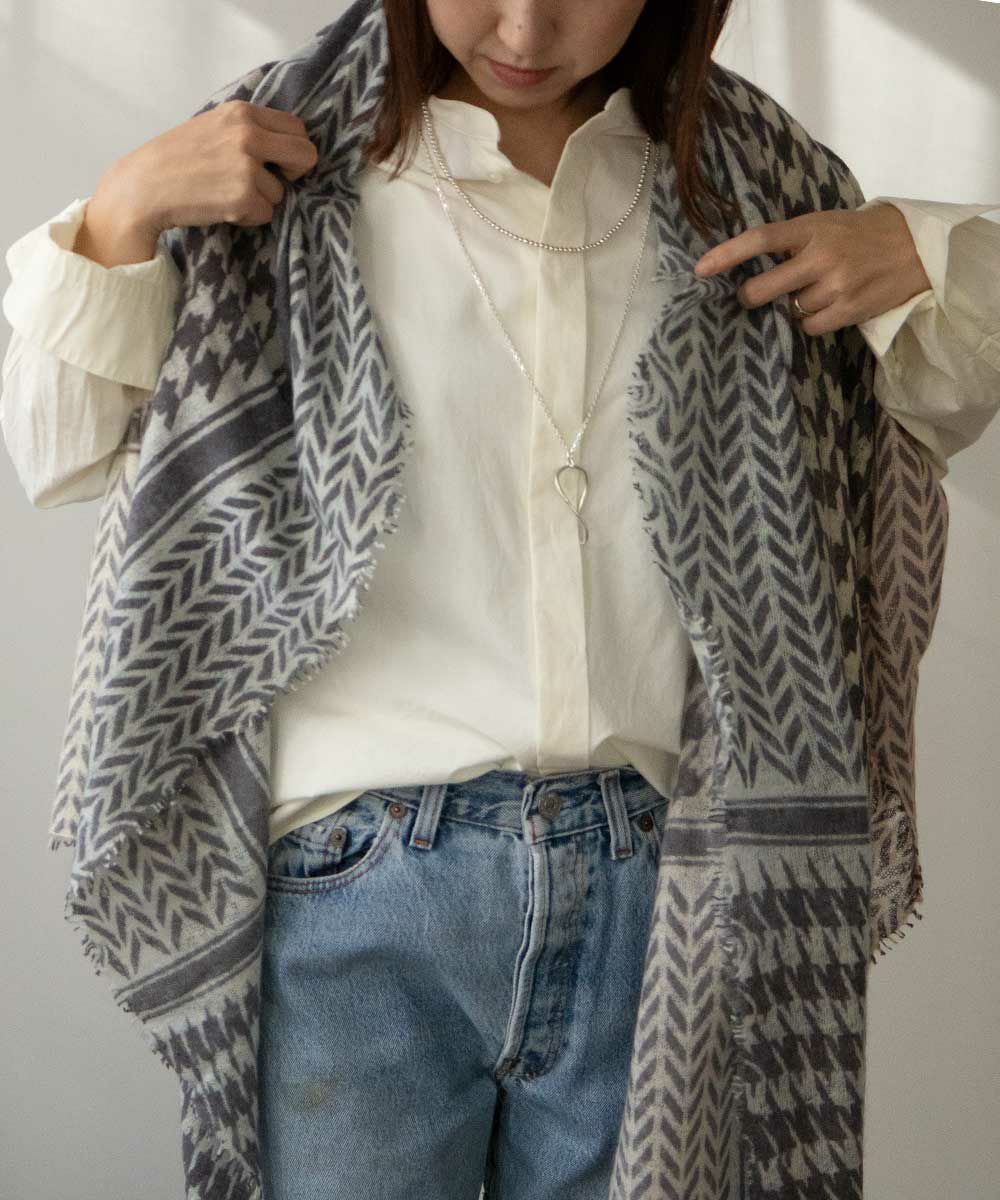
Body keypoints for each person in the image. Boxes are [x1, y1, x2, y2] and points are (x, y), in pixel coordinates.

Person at [3, 2, 999, 1198]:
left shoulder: (762, 188)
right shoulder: (271, 162)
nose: (525, 27)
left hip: (666, 891)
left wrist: (927, 249)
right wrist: (119, 212)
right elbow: (57, 448)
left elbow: (936, 406)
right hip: (353, 890)